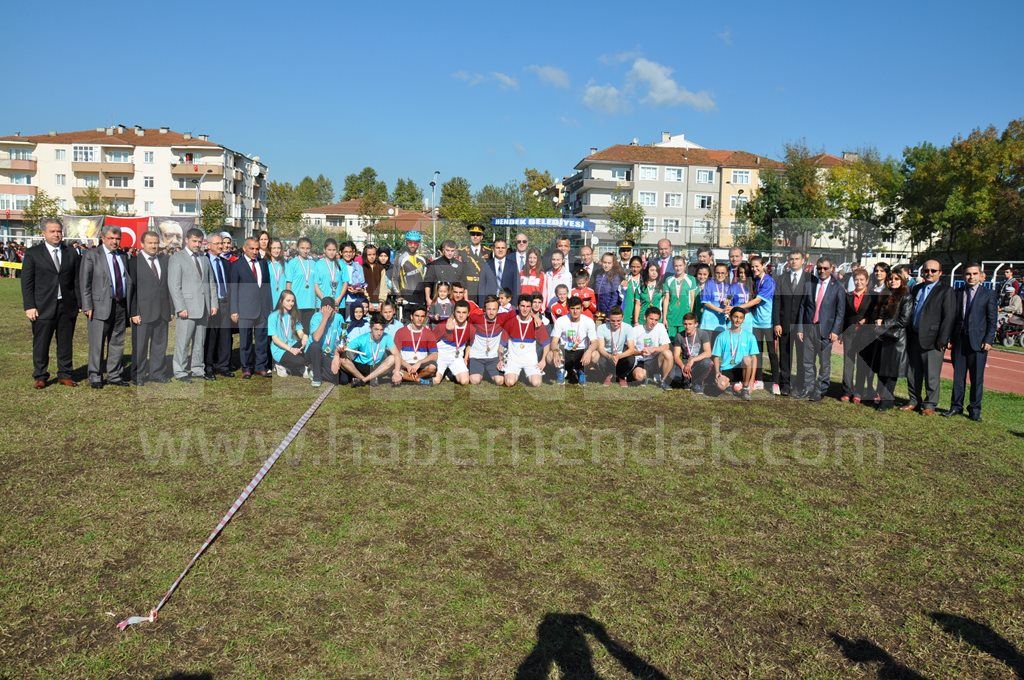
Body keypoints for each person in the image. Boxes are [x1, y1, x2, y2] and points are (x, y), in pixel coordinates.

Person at [21, 218, 81, 388]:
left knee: (65, 342)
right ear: (43, 233)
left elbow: (76, 280)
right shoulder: (33, 253)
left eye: (59, 231)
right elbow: (27, 282)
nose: (56, 234)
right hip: (42, 307)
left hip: (67, 306)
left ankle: (65, 374)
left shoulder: (71, 252)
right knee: (41, 342)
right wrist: (29, 306)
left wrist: (79, 303)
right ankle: (40, 375)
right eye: (52, 231)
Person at [80, 226, 133, 388]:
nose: (115, 242)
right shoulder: (92, 255)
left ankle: (114, 374)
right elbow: (84, 283)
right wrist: (87, 306)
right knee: (97, 343)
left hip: (120, 306)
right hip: (98, 307)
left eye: (118, 239)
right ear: (103, 238)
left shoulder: (123, 256)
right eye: (111, 238)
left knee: (117, 342)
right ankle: (95, 375)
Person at [945, 263, 998, 421]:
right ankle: (956, 406)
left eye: (975, 274)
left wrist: (989, 339)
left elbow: (992, 320)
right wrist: (949, 338)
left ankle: (975, 410)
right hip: (959, 341)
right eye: (968, 274)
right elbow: (952, 318)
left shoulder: (988, 294)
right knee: (958, 377)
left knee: (976, 378)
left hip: (979, 342)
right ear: (963, 276)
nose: (971, 277)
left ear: (981, 276)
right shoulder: (958, 292)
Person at [902, 259, 955, 415]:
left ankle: (930, 405)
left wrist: (943, 339)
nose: (929, 273)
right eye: (926, 271)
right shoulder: (916, 288)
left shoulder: (946, 291)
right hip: (913, 337)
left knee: (931, 374)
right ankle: (913, 400)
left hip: (933, 340)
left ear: (940, 273)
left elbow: (949, 317)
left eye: (933, 271)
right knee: (912, 373)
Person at [168, 228, 217, 382]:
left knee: (199, 342)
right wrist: (180, 307)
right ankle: (180, 371)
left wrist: (213, 303)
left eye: (199, 241)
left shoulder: (204, 258)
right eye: (194, 241)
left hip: (204, 307)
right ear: (186, 240)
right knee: (183, 341)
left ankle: (197, 368)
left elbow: (211, 283)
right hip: (187, 308)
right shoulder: (177, 258)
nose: (197, 244)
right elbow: (174, 285)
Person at [797, 256, 845, 401]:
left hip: (826, 331)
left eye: (825, 268)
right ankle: (808, 388)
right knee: (807, 361)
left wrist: (835, 331)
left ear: (831, 268)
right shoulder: (810, 284)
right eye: (819, 268)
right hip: (809, 328)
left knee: (824, 363)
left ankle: (820, 390)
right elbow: (803, 307)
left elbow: (840, 312)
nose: (822, 271)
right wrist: (800, 328)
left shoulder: (838, 287)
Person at [128, 230, 172, 385]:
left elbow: (167, 287)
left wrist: (170, 309)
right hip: (142, 312)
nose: (153, 246)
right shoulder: (133, 262)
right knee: (140, 346)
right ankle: (138, 375)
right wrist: (133, 312)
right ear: (142, 244)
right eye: (150, 243)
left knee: (160, 345)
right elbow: (131, 290)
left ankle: (157, 372)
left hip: (162, 311)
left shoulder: (163, 261)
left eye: (155, 243)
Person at [230, 237, 274, 379]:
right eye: (252, 248)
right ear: (244, 248)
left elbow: (267, 287)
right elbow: (233, 289)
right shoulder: (237, 265)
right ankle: (246, 368)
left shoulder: (263, 263)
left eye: (257, 249)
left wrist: (270, 307)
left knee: (261, 341)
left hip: (263, 310)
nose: (255, 251)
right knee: (246, 342)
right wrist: (234, 310)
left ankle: (261, 366)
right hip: (245, 310)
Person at [873, 270, 913, 412]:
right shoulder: (886, 294)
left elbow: (904, 320)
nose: (893, 281)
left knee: (891, 372)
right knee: (882, 370)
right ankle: (883, 398)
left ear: (902, 280)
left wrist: (884, 323)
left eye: (897, 279)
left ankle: (887, 400)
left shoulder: (906, 296)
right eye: (891, 278)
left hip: (896, 339)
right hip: (883, 337)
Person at [772, 250, 807, 397]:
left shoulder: (810, 279)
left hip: (802, 327)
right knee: (785, 355)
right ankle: (785, 384)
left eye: (797, 259)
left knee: (801, 356)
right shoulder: (781, 279)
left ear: (803, 260)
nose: (794, 261)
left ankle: (799, 384)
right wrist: (777, 323)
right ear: (788, 260)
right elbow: (777, 302)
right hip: (784, 324)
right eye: (791, 259)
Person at [744, 256, 778, 393]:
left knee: (772, 353)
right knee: (756, 353)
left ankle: (776, 382)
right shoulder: (756, 280)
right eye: (752, 266)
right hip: (756, 323)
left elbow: (757, 300)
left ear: (763, 265)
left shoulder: (769, 281)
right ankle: (759, 379)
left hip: (768, 323)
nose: (754, 269)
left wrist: (740, 307)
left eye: (757, 266)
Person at [501, 294, 549, 387]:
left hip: (530, 361)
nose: (525, 309)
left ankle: (526, 374)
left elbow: (546, 344)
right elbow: (502, 344)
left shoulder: (537, 323)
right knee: (509, 382)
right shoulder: (510, 321)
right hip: (513, 361)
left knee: (536, 383)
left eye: (528, 306)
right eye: (522, 306)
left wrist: (543, 360)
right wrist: (501, 359)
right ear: (518, 306)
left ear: (531, 308)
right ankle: (515, 374)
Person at [840, 268, 873, 402]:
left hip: (865, 335)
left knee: (861, 364)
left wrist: (867, 320)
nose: (858, 282)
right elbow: (843, 315)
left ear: (867, 281)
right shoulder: (847, 296)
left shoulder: (872, 296)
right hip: (849, 334)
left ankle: (858, 392)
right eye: (856, 280)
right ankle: (847, 391)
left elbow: (874, 314)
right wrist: (841, 332)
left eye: (861, 280)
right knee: (848, 363)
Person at [203, 232, 233, 379]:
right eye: (218, 244)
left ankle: (223, 365)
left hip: (225, 303)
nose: (221, 246)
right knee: (211, 336)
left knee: (225, 336)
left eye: (222, 243)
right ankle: (208, 366)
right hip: (211, 304)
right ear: (209, 246)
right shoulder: (204, 262)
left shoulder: (225, 263)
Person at [712, 307, 759, 399]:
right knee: (721, 385)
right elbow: (716, 356)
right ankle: (731, 386)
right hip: (727, 369)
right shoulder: (721, 336)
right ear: (730, 317)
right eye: (735, 317)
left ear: (744, 319)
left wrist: (752, 379)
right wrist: (717, 372)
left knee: (747, 359)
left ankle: (745, 388)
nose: (738, 320)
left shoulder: (750, 336)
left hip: (742, 369)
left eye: (741, 318)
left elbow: (754, 358)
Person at [337, 315, 397, 386]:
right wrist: (343, 348)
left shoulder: (387, 337)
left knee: (393, 358)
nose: (379, 333)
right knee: (342, 360)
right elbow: (345, 348)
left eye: (381, 330)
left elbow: (397, 354)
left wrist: (398, 371)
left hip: (376, 367)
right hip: (361, 367)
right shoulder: (362, 339)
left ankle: (363, 380)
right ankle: (369, 379)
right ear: (370, 328)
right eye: (376, 329)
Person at [550, 296, 597, 384]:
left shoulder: (589, 321)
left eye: (578, 308)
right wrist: (556, 352)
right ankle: (561, 370)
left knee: (595, 355)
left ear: (582, 308)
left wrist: (589, 351)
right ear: (568, 308)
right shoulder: (560, 321)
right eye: (572, 308)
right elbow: (554, 341)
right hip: (565, 352)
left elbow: (595, 342)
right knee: (550, 355)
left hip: (581, 353)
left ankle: (581, 371)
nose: (575, 311)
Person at [305, 296, 347, 387]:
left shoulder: (339, 318)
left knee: (343, 379)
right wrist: (325, 318)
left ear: (334, 310)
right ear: (321, 309)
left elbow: (343, 338)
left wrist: (337, 355)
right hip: (314, 353)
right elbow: (316, 338)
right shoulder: (316, 317)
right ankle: (317, 377)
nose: (328, 313)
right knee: (315, 345)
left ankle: (314, 369)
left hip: (329, 355)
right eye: (325, 310)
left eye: (330, 311)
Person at [391, 306, 438, 385]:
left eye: (422, 316)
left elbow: (435, 354)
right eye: (417, 316)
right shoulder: (401, 332)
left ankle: (411, 378)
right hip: (405, 365)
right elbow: (396, 354)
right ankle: (419, 380)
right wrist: (407, 365)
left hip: (421, 366)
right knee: (395, 371)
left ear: (425, 318)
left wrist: (419, 362)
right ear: (411, 317)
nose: (419, 319)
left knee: (432, 368)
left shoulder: (429, 333)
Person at [627, 306, 673, 388]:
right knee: (639, 376)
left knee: (668, 353)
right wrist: (640, 352)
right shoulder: (635, 330)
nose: (653, 322)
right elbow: (630, 350)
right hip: (641, 361)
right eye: (651, 319)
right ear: (645, 317)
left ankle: (663, 381)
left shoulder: (660, 327)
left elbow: (666, 346)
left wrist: (655, 349)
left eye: (656, 320)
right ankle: (649, 376)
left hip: (656, 359)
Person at [433, 299, 475, 384]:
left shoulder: (471, 328)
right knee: (436, 381)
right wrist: (432, 357)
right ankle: (443, 371)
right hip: (441, 356)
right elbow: (430, 342)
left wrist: (465, 358)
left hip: (456, 358)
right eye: (458, 312)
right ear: (454, 313)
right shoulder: (443, 326)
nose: (461, 315)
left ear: (468, 314)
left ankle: (450, 372)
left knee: (465, 381)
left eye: (464, 312)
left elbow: (469, 345)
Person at [268, 290, 308, 377]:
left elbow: (300, 333)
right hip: (280, 350)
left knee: (310, 345)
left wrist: (304, 336)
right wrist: (291, 349)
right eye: (288, 300)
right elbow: (275, 340)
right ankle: (280, 364)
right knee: (301, 360)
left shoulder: (294, 315)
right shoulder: (273, 316)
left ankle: (294, 367)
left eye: (293, 301)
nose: (291, 303)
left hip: (292, 345)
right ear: (281, 301)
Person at [670, 313, 713, 393]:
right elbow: (676, 356)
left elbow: (708, 353)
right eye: (685, 324)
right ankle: (687, 380)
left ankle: (697, 383)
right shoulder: (679, 336)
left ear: (696, 324)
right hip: (684, 363)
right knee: (673, 378)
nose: (687, 326)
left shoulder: (703, 334)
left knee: (708, 362)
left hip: (697, 363)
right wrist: (683, 367)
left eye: (690, 324)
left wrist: (692, 360)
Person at [594, 307, 635, 386]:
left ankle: (622, 376)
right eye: (613, 321)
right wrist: (610, 356)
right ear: (608, 318)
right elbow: (600, 348)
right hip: (607, 353)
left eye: (618, 321)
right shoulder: (601, 328)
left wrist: (618, 356)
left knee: (631, 359)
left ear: (622, 318)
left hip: (620, 353)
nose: (616, 323)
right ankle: (608, 375)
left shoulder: (628, 328)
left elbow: (631, 349)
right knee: (600, 358)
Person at [661, 256, 698, 338]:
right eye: (676, 266)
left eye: (680, 265)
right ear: (673, 266)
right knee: (672, 341)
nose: (678, 268)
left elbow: (692, 299)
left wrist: (690, 315)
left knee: (684, 342)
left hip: (685, 316)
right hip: (671, 317)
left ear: (685, 265)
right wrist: (664, 318)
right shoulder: (669, 280)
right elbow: (666, 300)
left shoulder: (691, 279)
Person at [286, 236, 317, 331]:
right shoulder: (292, 263)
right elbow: (288, 284)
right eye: (302, 248)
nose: (305, 251)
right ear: (298, 248)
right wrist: (288, 301)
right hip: (296, 303)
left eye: (307, 248)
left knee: (307, 330)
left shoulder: (313, 263)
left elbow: (316, 284)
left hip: (310, 303)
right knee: (296, 331)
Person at [478, 236, 518, 304]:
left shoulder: (513, 265)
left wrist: (514, 306)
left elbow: (516, 287)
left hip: (507, 305)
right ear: (493, 249)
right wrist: (481, 306)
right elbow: (481, 287)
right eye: (498, 248)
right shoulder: (486, 265)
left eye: (503, 248)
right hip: (490, 305)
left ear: (506, 249)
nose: (500, 250)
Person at [424, 240, 462, 308]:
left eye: (452, 251)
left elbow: (463, 284)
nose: (450, 253)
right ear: (443, 250)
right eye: (447, 250)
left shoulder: (459, 265)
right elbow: (427, 283)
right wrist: (428, 299)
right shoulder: (434, 264)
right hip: (437, 300)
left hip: (453, 301)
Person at [395, 230, 427, 308]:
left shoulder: (423, 259)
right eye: (410, 243)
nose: (412, 245)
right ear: (406, 243)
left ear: (419, 244)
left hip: (420, 295)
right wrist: (398, 295)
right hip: (406, 294)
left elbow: (426, 278)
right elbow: (394, 278)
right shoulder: (400, 258)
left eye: (415, 243)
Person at [457, 224, 490, 300]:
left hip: (483, 287)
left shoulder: (488, 252)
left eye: (478, 234)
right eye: (472, 234)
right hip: (468, 288)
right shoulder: (462, 252)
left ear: (481, 237)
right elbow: (460, 273)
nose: (475, 236)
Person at [700, 263, 733, 339]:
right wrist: (721, 310)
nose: (720, 275)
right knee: (708, 348)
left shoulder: (728, 286)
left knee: (718, 348)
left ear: (726, 274)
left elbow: (729, 299)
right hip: (708, 322)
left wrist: (727, 303)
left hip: (720, 322)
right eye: (717, 273)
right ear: (714, 273)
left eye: (722, 273)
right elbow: (706, 303)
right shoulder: (709, 283)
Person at [632, 262, 664, 326]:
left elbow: (664, 304)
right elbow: (637, 305)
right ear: (647, 271)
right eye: (652, 270)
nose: (654, 273)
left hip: (656, 319)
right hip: (642, 319)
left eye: (656, 271)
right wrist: (636, 321)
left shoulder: (662, 287)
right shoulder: (640, 287)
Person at [594, 253, 624, 322]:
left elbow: (615, 296)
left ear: (613, 263)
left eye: (609, 263)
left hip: (608, 310)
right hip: (599, 309)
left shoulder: (615, 276)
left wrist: (609, 312)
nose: (606, 265)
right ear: (601, 262)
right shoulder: (599, 274)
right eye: (604, 262)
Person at [340, 241, 366, 316]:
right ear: (341, 252)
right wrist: (346, 288)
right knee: (342, 324)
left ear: (353, 253)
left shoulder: (358, 267)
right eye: (345, 252)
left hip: (355, 301)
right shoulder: (337, 265)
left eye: (350, 252)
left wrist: (357, 290)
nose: (348, 254)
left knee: (352, 324)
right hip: (341, 302)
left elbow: (362, 285)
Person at [620, 256, 644, 326]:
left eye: (638, 267)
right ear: (629, 266)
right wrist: (622, 287)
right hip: (627, 308)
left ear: (641, 267)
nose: (635, 269)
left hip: (640, 309)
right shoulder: (625, 278)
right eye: (633, 266)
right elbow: (620, 295)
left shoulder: (644, 279)